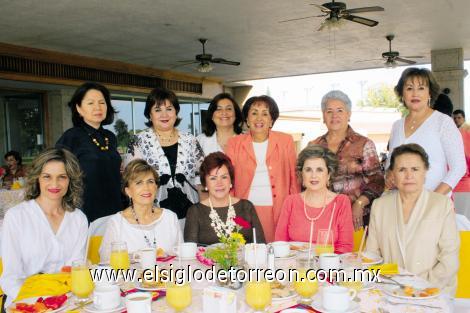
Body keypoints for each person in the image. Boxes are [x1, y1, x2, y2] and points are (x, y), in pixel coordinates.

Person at [366, 144, 459, 294]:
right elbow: (372, 254)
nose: (409, 176)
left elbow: (449, 257)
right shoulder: (380, 206)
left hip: (432, 291)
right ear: (393, 174)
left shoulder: (441, 205)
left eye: (415, 169)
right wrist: (386, 284)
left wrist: (422, 287)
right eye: (402, 170)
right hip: (391, 290)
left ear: (425, 172)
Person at [0, 148, 88, 305]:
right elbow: (11, 278)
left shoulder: (78, 219)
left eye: (62, 177)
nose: (54, 184)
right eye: (47, 176)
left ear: (70, 180)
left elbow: (75, 270)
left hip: (67, 301)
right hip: (25, 302)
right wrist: (42, 302)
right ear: (37, 178)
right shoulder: (16, 217)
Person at [126, 87, 204, 228]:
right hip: (152, 216)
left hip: (191, 215)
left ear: (176, 112)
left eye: (169, 109)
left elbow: (202, 177)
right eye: (157, 110)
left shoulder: (190, 140)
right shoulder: (139, 141)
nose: (164, 114)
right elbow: (131, 181)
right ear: (149, 115)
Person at [225, 95, 299, 242]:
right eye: (254, 113)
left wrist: (295, 209)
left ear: (271, 120)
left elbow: (294, 179)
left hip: (278, 210)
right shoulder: (234, 143)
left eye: (265, 114)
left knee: (276, 253)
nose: (259, 118)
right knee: (248, 255)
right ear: (246, 119)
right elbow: (229, 179)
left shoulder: (286, 141)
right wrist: (230, 209)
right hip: (245, 210)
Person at [310, 90, 384, 230]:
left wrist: (360, 203)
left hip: (355, 219)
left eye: (340, 110)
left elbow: (377, 182)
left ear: (348, 114)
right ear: (323, 116)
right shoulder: (314, 146)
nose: (334, 116)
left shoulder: (363, 144)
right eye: (329, 111)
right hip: (322, 218)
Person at [386, 68, 466, 196]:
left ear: (430, 93)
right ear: (402, 94)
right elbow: (391, 162)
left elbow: (459, 167)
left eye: (421, 88)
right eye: (409, 88)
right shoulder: (397, 125)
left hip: (434, 206)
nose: (415, 94)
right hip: (401, 204)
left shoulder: (443, 122)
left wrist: (433, 199)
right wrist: (389, 173)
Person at [56, 82, 122, 222]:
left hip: (114, 208)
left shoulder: (110, 136)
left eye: (102, 102)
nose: (97, 107)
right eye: (90, 103)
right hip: (85, 210)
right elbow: (57, 173)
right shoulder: (71, 137)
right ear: (79, 108)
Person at [275, 145, 353, 254]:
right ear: (301, 174)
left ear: (329, 175)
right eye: (308, 170)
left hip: (328, 267)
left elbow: (345, 247)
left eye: (320, 170)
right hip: (294, 266)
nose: (313, 175)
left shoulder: (341, 202)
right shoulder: (291, 201)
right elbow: (280, 243)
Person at [100, 159, 181, 262]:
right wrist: (134, 256)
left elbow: (181, 257)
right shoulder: (117, 223)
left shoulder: (170, 218)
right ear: (128, 191)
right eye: (139, 183)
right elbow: (105, 260)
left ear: (156, 187)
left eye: (150, 182)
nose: (146, 188)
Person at [184, 152, 265, 245]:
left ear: (231, 180)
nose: (219, 183)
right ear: (205, 184)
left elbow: (261, 246)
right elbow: (190, 253)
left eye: (224, 177)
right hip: (208, 260)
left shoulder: (246, 207)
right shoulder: (195, 212)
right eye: (213, 178)